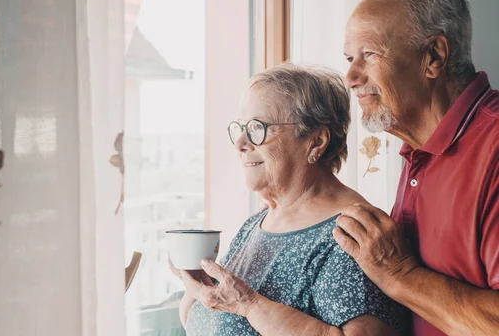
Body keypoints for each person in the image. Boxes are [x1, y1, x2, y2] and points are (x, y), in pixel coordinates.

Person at [173, 64, 409, 335]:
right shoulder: (258, 223)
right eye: (240, 128)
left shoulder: (352, 233)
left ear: (316, 141)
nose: (240, 143)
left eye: (257, 128)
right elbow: (207, 323)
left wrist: (250, 305)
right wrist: (196, 284)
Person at [336, 0, 499, 336]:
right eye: (349, 57)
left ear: (434, 57)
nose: (350, 76)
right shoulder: (416, 149)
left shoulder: (495, 147)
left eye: (369, 54)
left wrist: (400, 274)